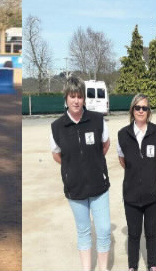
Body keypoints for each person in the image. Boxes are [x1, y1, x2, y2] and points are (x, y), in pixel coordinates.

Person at [50, 76, 111, 271]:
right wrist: (73, 169)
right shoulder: (57, 127)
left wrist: (94, 165)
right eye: (72, 96)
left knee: (103, 230)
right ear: (66, 98)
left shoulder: (97, 119)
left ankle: (102, 268)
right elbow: (57, 154)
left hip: (99, 186)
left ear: (84, 98)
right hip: (75, 188)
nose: (76, 101)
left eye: (79, 96)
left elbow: (105, 144)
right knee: (84, 231)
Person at [117, 94, 156, 271]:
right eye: (137, 107)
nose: (140, 111)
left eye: (144, 108)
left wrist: (149, 175)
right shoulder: (122, 134)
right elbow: (123, 161)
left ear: (148, 111)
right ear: (132, 110)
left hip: (153, 194)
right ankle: (133, 266)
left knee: (152, 232)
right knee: (134, 234)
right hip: (131, 195)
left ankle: (152, 265)